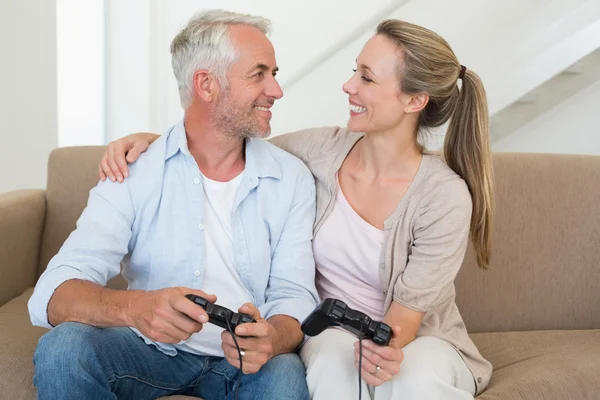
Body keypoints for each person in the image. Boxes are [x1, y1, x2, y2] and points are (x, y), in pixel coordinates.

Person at [100, 15, 495, 400]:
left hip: (420, 338)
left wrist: (381, 363)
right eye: (354, 71)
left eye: (366, 77)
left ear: (414, 100)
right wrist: (151, 142)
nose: (348, 85)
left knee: (416, 378)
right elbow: (223, 142)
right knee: (331, 363)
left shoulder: (444, 196)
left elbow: (403, 322)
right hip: (333, 333)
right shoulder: (318, 151)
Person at [28, 10, 319, 400]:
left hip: (246, 366)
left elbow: (294, 293)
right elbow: (53, 292)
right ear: (206, 84)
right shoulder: (135, 170)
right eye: (259, 74)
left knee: (284, 376)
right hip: (149, 352)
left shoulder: (291, 177)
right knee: (64, 349)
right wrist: (136, 309)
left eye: (274, 73)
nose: (276, 90)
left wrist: (274, 336)